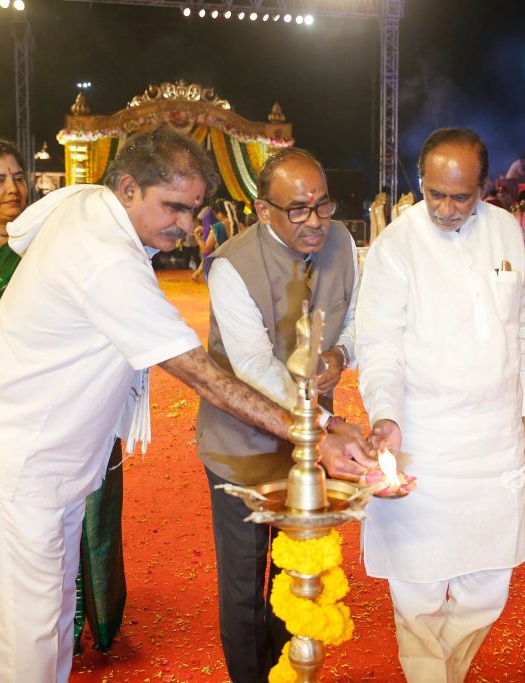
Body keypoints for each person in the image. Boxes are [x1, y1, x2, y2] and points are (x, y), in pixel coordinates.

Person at [0, 127, 367, 682]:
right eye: (172, 206)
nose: (186, 224)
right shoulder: (106, 261)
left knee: (46, 624)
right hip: (20, 460)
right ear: (126, 188)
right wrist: (315, 432)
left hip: (48, 457)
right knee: (29, 637)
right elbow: (207, 377)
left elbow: (23, 231)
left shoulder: (85, 202)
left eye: (194, 209)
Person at [0, 137, 127, 669]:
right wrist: (28, 367)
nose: (14, 187)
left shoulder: (38, 238)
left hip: (50, 396)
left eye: (19, 176)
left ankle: (66, 625)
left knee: (64, 504)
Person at [356, 127, 525, 682]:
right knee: (418, 589)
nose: (446, 208)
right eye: (435, 193)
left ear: (485, 188)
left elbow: (519, 330)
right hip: (424, 437)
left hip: (494, 441)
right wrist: (385, 413)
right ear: (421, 182)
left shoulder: (506, 231)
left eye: (462, 196)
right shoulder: (397, 245)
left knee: (489, 584)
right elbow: (379, 344)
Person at [198, 147, 373, 681]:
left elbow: (361, 316)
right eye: (298, 210)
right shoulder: (231, 265)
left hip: (313, 444)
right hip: (242, 448)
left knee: (297, 570)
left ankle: (292, 671)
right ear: (262, 209)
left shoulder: (343, 242)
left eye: (323, 206)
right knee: (246, 584)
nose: (316, 221)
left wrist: (341, 355)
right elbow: (251, 364)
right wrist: (321, 425)